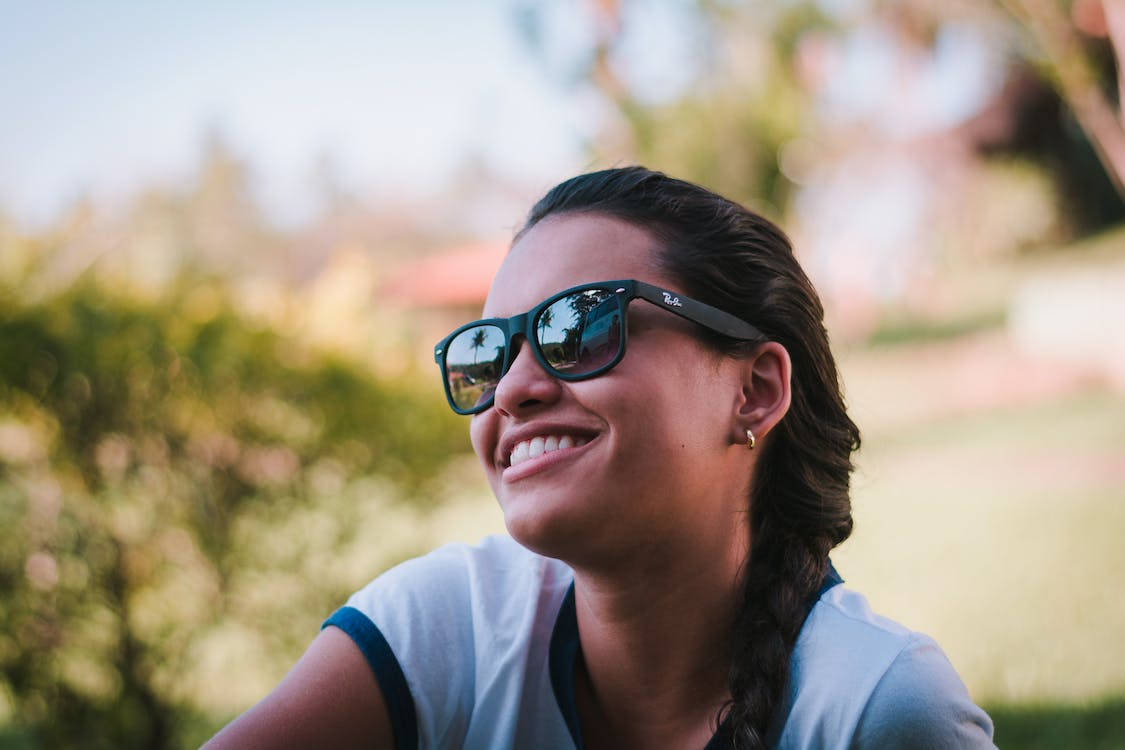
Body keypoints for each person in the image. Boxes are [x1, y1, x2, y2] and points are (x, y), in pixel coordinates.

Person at [206, 167, 996, 749]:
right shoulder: (442, 633)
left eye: (577, 329)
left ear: (753, 390)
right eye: (488, 353)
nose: (510, 390)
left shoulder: (876, 710)